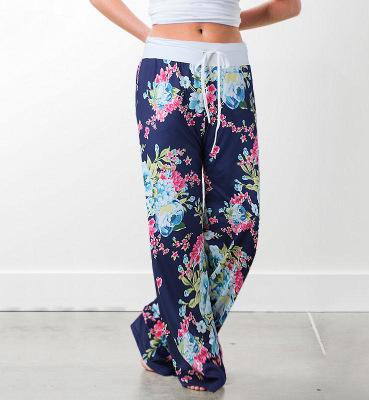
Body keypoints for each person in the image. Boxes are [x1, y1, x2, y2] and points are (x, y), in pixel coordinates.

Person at [90, 0, 301, 392]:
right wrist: (148, 34)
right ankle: (198, 361)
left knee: (241, 223)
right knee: (175, 224)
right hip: (165, 74)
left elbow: (289, 6)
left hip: (230, 75)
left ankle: (157, 330)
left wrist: (226, 21)